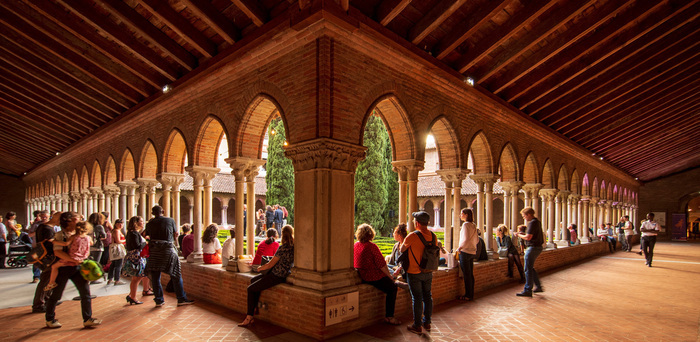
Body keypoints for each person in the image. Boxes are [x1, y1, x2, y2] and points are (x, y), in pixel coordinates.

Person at [44, 211, 101, 329]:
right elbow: (57, 252)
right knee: (57, 294)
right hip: (65, 267)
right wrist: (73, 260)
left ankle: (87, 318)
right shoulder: (61, 235)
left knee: (85, 293)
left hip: (78, 267)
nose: (80, 219)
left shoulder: (79, 234)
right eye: (77, 218)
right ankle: (50, 318)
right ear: (68, 221)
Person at [238, 225, 294, 327]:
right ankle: (254, 308)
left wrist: (260, 268)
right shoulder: (294, 247)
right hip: (281, 274)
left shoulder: (282, 248)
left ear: (283, 234)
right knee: (253, 280)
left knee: (250, 289)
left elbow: (270, 264)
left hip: (276, 276)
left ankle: (249, 317)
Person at [144, 206, 194, 307]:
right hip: (168, 249)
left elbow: (146, 235)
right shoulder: (170, 220)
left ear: (153, 213)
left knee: (155, 276)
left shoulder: (150, 223)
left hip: (155, 251)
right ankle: (181, 298)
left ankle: (159, 300)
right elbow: (176, 234)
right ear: (163, 211)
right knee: (176, 274)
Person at [353, 224, 401, 325]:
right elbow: (382, 265)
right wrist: (390, 277)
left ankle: (397, 281)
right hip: (372, 276)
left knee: (391, 274)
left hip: (362, 275)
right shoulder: (371, 246)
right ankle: (389, 316)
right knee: (392, 288)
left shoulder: (356, 245)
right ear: (370, 234)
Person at [401, 211, 434, 335]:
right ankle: (427, 322)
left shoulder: (412, 236)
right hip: (428, 271)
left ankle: (417, 325)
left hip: (414, 272)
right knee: (428, 297)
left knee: (417, 298)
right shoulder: (433, 236)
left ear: (417, 223)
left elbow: (401, 249)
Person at [44, 220, 92, 292]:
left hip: (72, 257)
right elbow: (91, 243)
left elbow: (65, 244)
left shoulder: (74, 237)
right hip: (83, 257)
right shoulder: (88, 238)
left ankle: (51, 282)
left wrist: (53, 241)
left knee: (54, 267)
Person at [31, 211, 62, 313]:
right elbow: (50, 243)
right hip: (49, 258)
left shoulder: (42, 226)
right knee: (45, 280)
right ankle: (38, 304)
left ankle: (47, 299)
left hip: (45, 257)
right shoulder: (47, 229)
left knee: (49, 279)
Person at [516, 207, 544, 297]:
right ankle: (538, 286)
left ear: (528, 215)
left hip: (533, 247)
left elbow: (528, 237)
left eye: (524, 216)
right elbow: (531, 235)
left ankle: (528, 290)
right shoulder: (537, 222)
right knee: (530, 267)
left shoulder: (532, 223)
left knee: (527, 268)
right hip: (537, 247)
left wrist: (519, 235)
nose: (524, 218)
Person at [123, 216, 151, 304]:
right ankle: (133, 297)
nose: (143, 223)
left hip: (135, 256)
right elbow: (137, 246)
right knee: (137, 277)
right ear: (136, 223)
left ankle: (132, 295)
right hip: (136, 257)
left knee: (137, 277)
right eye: (141, 221)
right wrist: (146, 242)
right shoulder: (134, 233)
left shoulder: (132, 233)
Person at [457, 208, 478, 301]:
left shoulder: (465, 225)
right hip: (472, 251)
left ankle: (468, 295)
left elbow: (464, 239)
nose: (460, 215)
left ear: (466, 215)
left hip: (465, 252)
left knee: (466, 274)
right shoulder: (473, 225)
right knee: (470, 274)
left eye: (461, 214)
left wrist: (459, 248)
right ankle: (471, 294)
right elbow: (477, 240)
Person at [87, 213, 106, 284]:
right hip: (97, 247)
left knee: (89, 263)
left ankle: (87, 278)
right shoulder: (99, 226)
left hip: (89, 246)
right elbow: (104, 236)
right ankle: (93, 279)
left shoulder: (88, 226)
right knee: (96, 263)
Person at [107, 219, 126, 285]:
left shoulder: (115, 231)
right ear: (115, 224)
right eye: (119, 223)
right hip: (118, 249)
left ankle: (110, 279)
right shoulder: (117, 231)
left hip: (115, 249)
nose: (120, 225)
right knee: (118, 264)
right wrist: (125, 240)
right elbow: (118, 241)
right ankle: (117, 280)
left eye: (122, 223)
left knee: (113, 264)